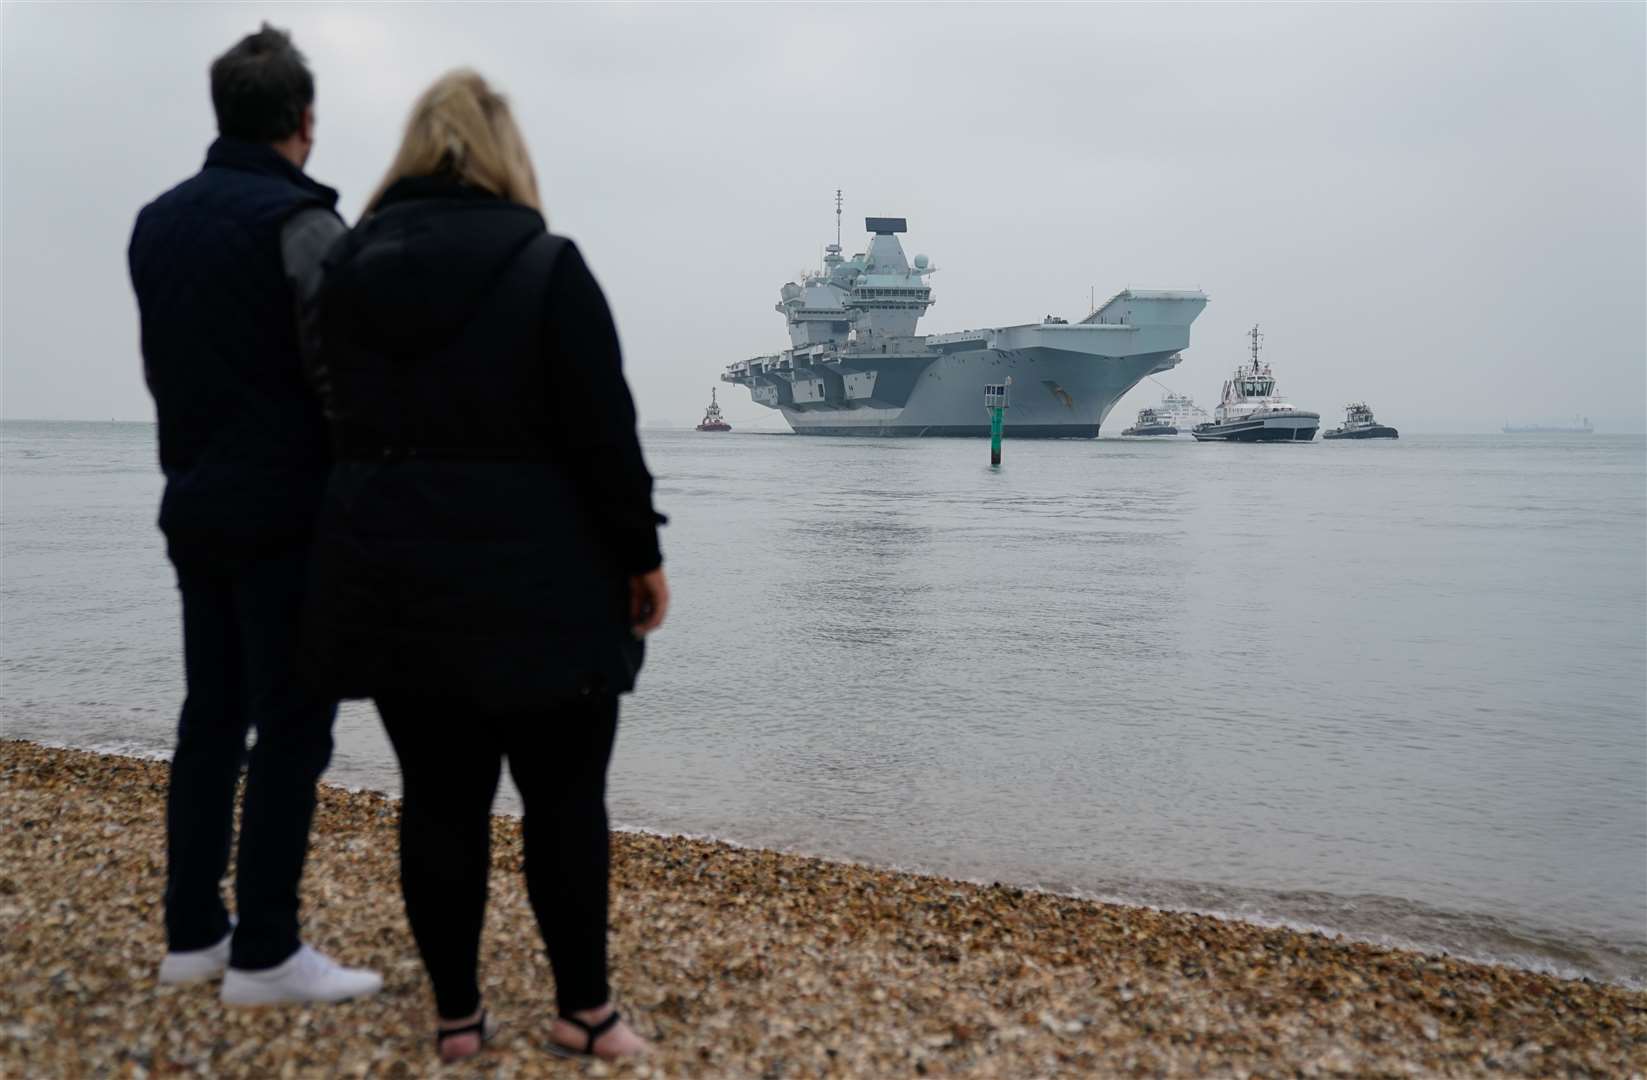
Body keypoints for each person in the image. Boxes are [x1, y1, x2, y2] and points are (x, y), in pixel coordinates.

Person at [299, 70, 667, 1063]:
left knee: (440, 796)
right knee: (563, 797)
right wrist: (642, 556)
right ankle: (582, 1011)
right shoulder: (548, 267)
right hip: (545, 576)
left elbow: (327, 420)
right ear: (507, 154)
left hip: (392, 573)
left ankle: (458, 1020)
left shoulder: (345, 269)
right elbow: (604, 434)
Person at [127, 24, 381, 1005]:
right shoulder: (304, 227)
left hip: (193, 499)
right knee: (291, 727)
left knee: (209, 717)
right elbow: (346, 381)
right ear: (305, 121)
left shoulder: (157, 223)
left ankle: (193, 933)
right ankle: (268, 949)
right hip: (290, 515)